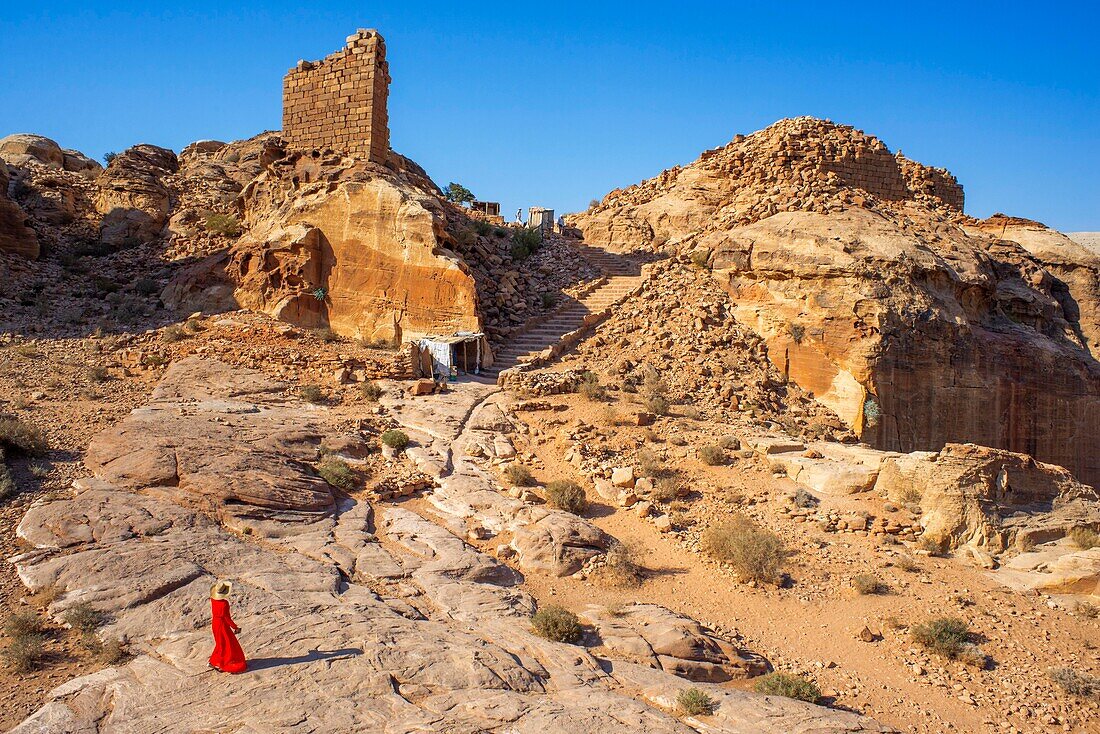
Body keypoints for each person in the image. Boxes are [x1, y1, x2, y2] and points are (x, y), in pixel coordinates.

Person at [208, 580, 247, 673]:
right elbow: (227, 618)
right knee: (227, 644)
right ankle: (220, 663)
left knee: (220, 643)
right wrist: (235, 627)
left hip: (215, 623)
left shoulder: (213, 600)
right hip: (222, 625)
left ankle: (214, 661)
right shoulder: (224, 604)